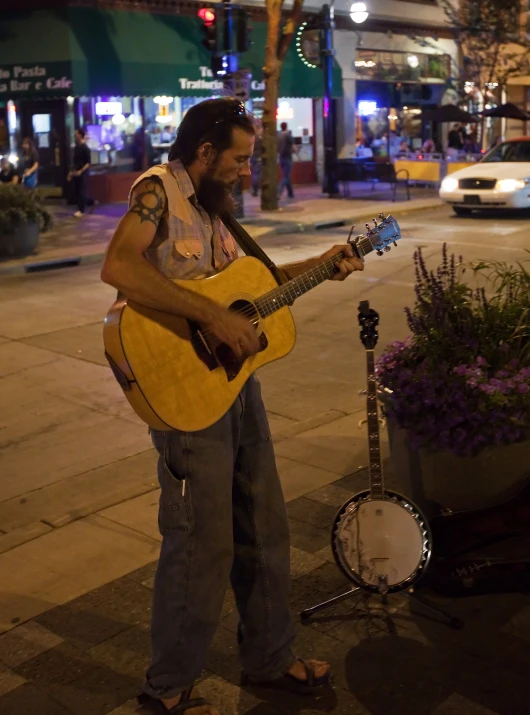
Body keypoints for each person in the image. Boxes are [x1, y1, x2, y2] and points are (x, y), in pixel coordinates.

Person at [100, 97, 363, 715]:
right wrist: (212, 315)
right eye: (239, 160)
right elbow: (118, 267)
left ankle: (270, 657)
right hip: (185, 397)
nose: (246, 171)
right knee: (200, 544)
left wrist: (322, 265)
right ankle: (166, 692)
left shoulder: (216, 213)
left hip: (235, 385)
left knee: (265, 525)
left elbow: (251, 291)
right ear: (205, 152)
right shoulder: (158, 190)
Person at [67, 128, 91, 218]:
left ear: (80, 135)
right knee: (77, 190)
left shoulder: (85, 148)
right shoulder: (76, 148)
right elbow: (74, 161)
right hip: (76, 171)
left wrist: (81, 171)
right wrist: (71, 172)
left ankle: (81, 210)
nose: (74, 135)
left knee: (82, 190)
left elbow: (88, 163)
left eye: (76, 133)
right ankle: (83, 205)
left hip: (83, 172)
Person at [277, 121, 296, 199]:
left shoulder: (279, 135)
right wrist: (296, 152)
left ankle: (290, 193)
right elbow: (293, 146)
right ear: (286, 126)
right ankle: (278, 192)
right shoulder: (288, 135)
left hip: (281, 158)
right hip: (288, 158)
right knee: (285, 177)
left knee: (287, 175)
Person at [250, 131, 263, 196]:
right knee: (257, 174)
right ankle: (255, 189)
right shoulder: (260, 138)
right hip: (259, 158)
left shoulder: (252, 138)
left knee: (255, 174)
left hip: (253, 157)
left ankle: (254, 189)